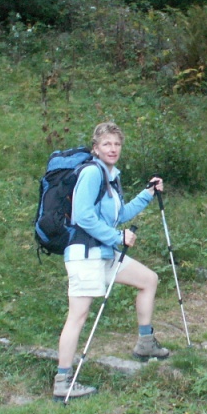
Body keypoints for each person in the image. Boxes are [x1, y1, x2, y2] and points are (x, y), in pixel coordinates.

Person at [53, 121, 169, 399]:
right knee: (78, 315)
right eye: (107, 143)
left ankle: (145, 343)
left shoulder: (110, 177)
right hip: (85, 255)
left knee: (149, 280)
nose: (113, 148)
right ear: (95, 148)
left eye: (117, 144)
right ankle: (62, 380)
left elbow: (119, 215)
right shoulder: (92, 173)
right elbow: (83, 216)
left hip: (104, 252)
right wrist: (118, 237)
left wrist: (148, 194)